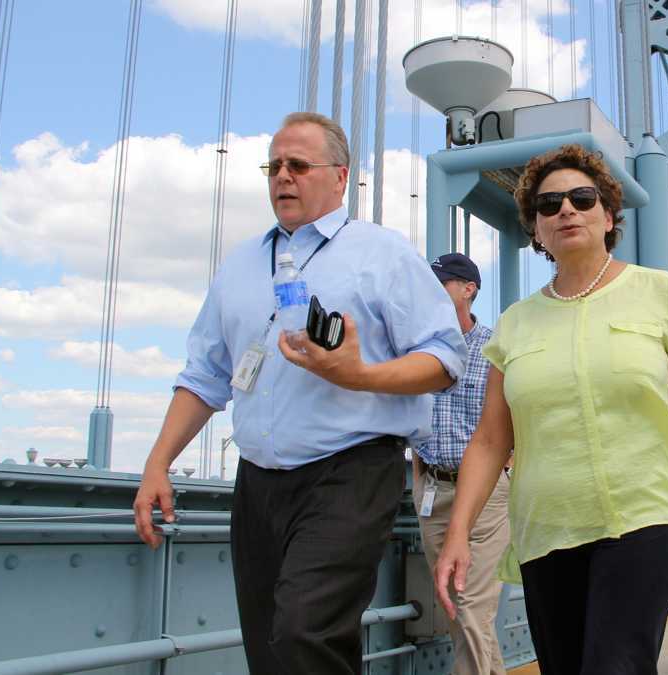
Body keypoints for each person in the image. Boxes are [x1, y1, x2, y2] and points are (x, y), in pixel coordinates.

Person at [132, 112, 468, 675]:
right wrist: (157, 463)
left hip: (350, 472)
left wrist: (360, 375)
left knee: (303, 630)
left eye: (298, 165)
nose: (282, 176)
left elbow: (444, 357)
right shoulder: (239, 264)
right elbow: (205, 375)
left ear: (340, 178)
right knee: (268, 646)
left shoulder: (382, 254)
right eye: (274, 166)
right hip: (258, 481)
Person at [432, 144, 668, 675]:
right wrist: (459, 533)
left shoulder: (661, 295)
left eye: (582, 198)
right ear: (535, 229)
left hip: (644, 514)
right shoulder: (514, 323)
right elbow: (491, 440)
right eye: (549, 203)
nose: (566, 210)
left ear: (608, 215)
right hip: (545, 527)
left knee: (615, 666)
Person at [413, 252, 510, 674]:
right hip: (433, 491)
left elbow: (514, 422)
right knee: (457, 608)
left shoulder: (495, 349)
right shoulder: (416, 349)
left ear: (468, 289)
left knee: (471, 607)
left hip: (486, 494)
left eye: (441, 282)